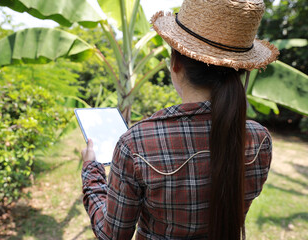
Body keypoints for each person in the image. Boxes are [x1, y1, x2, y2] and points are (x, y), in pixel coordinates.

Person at [81, 0, 279, 239]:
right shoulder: (259, 140)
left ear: (175, 64)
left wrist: (91, 171)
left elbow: (112, 234)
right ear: (240, 69)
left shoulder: (137, 143)